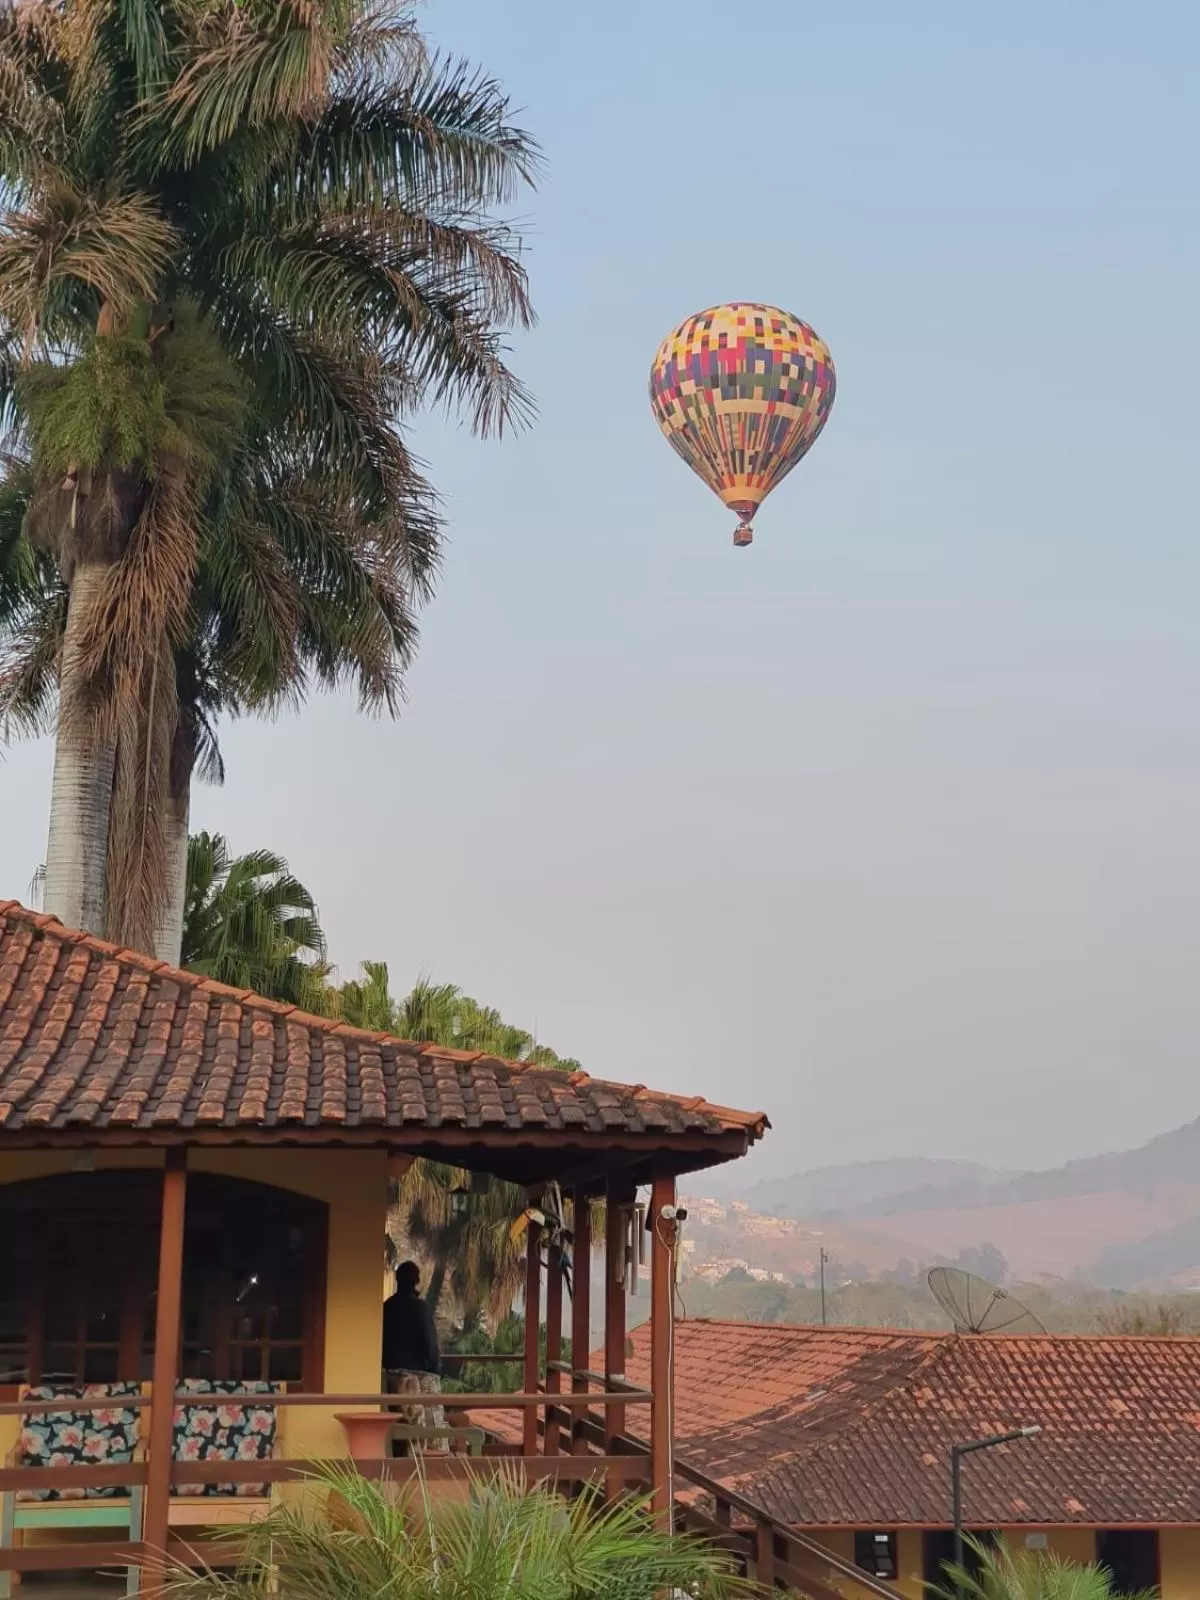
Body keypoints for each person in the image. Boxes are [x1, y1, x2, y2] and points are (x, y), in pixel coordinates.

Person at [381, 1261, 447, 1453]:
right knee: (433, 1405)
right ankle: (438, 1450)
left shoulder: (387, 1307)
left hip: (389, 1376)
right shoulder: (419, 1308)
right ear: (416, 1281)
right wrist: (436, 1370)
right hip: (414, 1376)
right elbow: (430, 1344)